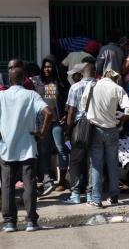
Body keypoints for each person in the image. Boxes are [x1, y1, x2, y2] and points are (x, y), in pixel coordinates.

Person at [0, 68, 52, 232]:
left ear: (9, 79)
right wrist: (42, 133)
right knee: (29, 184)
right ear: (24, 79)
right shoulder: (32, 95)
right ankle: (31, 221)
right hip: (28, 147)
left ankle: (9, 222)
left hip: (7, 148)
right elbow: (48, 113)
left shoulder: (1, 96)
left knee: (7, 186)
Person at [81, 69, 129, 208]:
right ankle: (114, 196)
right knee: (112, 164)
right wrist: (121, 119)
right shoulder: (117, 88)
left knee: (96, 165)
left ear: (103, 75)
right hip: (112, 130)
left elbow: (82, 106)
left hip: (95, 129)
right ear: (116, 78)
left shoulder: (92, 86)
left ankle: (96, 199)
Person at [63, 63, 96, 204]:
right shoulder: (100, 85)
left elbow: (71, 112)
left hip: (80, 126)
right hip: (96, 126)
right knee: (92, 162)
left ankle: (75, 194)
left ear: (82, 74)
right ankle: (90, 194)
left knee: (75, 161)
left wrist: (67, 131)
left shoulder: (75, 87)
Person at [36, 55, 68, 194]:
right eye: (45, 66)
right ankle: (47, 180)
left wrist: (66, 115)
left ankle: (62, 181)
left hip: (57, 122)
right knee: (44, 152)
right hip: (44, 123)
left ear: (54, 67)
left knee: (61, 149)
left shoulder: (61, 82)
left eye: (49, 66)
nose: (46, 69)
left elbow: (69, 101)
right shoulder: (38, 82)